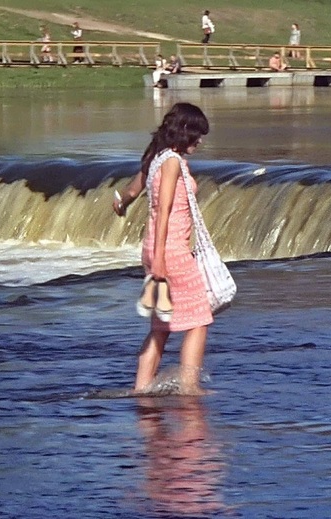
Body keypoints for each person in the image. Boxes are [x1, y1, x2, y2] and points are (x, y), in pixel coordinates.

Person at [113, 102, 214, 395]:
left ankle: (141, 389)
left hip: (155, 247)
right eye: (197, 134)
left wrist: (120, 204)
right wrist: (159, 260)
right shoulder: (171, 162)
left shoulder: (156, 157)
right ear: (184, 131)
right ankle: (190, 388)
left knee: (161, 326)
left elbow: (132, 191)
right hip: (170, 250)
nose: (200, 140)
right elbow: (165, 209)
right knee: (199, 320)